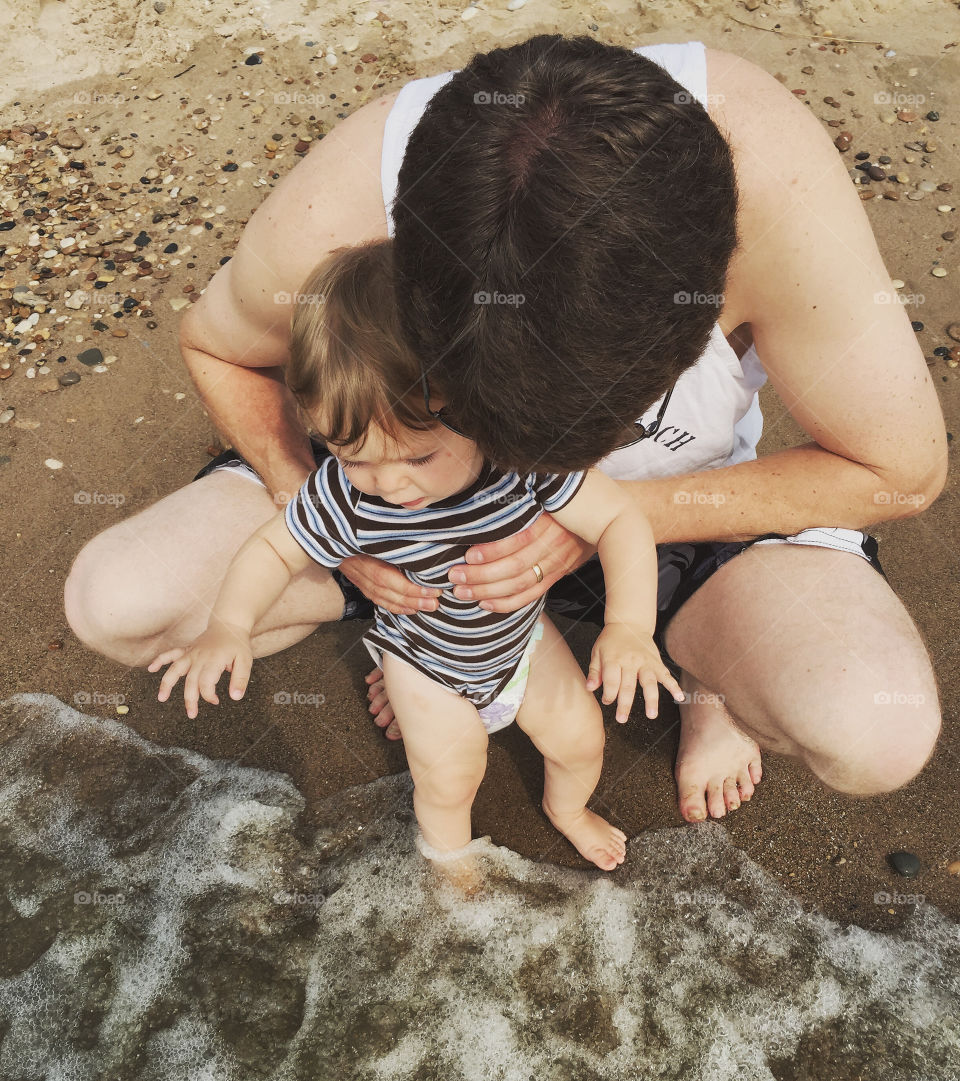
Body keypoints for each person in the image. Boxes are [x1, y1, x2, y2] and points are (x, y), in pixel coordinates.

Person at [64, 36, 946, 828]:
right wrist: (340, 534)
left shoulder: (772, 185)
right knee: (116, 603)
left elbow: (898, 471)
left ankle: (708, 682)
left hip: (680, 519)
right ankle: (422, 644)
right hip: (420, 542)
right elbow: (216, 347)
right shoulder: (341, 212)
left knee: (874, 729)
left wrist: (592, 519)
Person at [147, 240, 685, 878]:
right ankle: (448, 860)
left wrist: (629, 628)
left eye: (417, 458)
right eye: (354, 458)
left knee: (581, 742)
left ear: (473, 404)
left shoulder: (523, 461)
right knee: (451, 779)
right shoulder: (345, 495)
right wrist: (230, 624)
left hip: (521, 645)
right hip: (426, 661)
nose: (391, 486)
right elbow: (272, 548)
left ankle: (567, 810)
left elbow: (621, 519)